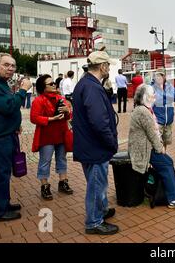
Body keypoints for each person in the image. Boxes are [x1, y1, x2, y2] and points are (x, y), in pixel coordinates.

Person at [0, 53, 32, 222]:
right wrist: (23, 90)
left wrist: (14, 125)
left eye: (13, 66)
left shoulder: (0, 83)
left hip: (5, 134)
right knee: (0, 173)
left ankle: (4, 204)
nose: (10, 69)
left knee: (4, 172)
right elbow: (9, 107)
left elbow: (4, 110)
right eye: (6, 65)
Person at [72, 51, 119, 235]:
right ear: (103, 67)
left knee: (98, 182)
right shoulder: (91, 87)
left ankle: (102, 209)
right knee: (96, 184)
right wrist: (111, 142)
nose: (109, 69)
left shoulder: (85, 83)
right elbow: (99, 122)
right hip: (95, 146)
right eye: (108, 65)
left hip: (88, 144)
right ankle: (93, 222)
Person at [128, 84, 175, 209]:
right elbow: (152, 134)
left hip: (146, 147)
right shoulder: (143, 111)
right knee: (166, 164)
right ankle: (173, 199)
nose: (154, 96)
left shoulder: (144, 109)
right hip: (143, 149)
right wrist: (160, 149)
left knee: (168, 162)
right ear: (145, 97)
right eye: (151, 94)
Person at [30, 74, 74, 200]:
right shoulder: (39, 100)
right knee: (45, 161)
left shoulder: (60, 98)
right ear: (43, 88)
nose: (54, 85)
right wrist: (51, 118)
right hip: (46, 136)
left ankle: (63, 182)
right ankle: (45, 186)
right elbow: (34, 118)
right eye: (51, 84)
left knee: (62, 158)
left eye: (54, 82)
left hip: (61, 134)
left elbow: (67, 117)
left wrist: (67, 111)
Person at [152, 68, 175, 151]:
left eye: (162, 75)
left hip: (169, 120)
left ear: (165, 76)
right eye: (158, 75)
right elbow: (153, 101)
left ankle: (164, 156)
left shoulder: (170, 86)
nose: (160, 77)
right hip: (158, 120)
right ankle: (158, 161)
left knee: (166, 142)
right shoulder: (152, 87)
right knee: (157, 143)